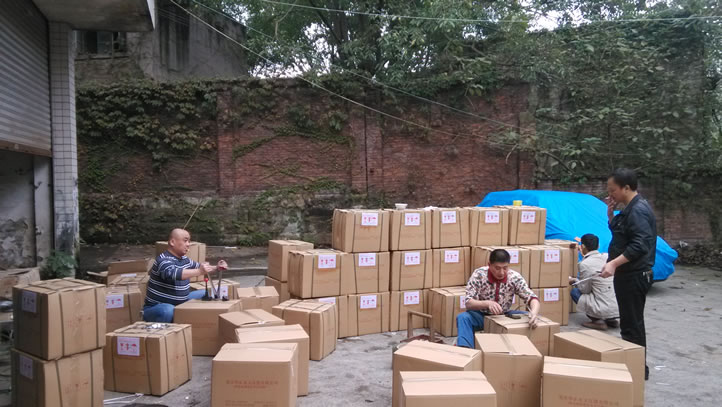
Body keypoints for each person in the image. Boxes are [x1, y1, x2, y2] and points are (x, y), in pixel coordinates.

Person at [600, 168, 656, 380]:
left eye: (612, 190)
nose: (610, 194)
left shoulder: (638, 211)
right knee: (629, 322)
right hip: (628, 274)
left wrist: (614, 263)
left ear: (626, 188)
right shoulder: (629, 209)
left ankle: (637, 369)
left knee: (632, 325)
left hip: (635, 275)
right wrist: (611, 214)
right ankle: (634, 365)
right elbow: (622, 235)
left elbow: (640, 245)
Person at [456, 248, 541, 348]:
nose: (501, 272)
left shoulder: (514, 277)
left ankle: (525, 349)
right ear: (489, 265)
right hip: (481, 316)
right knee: (463, 318)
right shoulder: (479, 275)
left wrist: (534, 313)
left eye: (505, 268)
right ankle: (467, 350)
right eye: (497, 268)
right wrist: (487, 303)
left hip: (504, 316)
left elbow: (532, 298)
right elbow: (469, 303)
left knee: (534, 318)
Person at [143, 228, 228, 323]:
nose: (188, 244)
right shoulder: (163, 260)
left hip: (180, 302)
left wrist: (217, 267)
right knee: (167, 310)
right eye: (185, 240)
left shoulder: (185, 259)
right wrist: (199, 271)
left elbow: (201, 267)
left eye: (189, 241)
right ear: (172, 242)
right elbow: (172, 273)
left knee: (209, 293)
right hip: (157, 307)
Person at [569, 233, 619, 330]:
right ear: (598, 246)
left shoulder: (585, 264)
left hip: (603, 306)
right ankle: (611, 319)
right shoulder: (607, 257)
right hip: (617, 305)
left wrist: (575, 280)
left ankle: (598, 321)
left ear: (583, 246)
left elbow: (584, 290)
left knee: (575, 292)